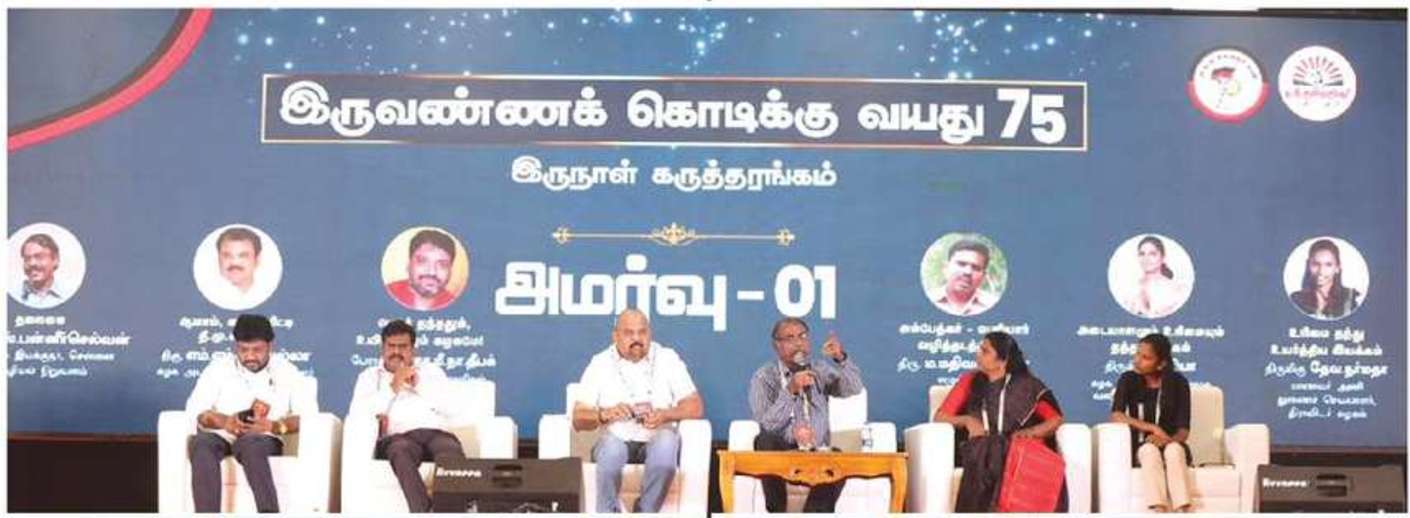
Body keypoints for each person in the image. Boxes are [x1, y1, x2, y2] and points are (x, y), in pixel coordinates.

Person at [572, 309, 703, 513]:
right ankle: (608, 512)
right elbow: (578, 418)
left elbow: (695, 406)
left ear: (650, 333)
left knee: (667, 442)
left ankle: (645, 511)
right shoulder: (600, 363)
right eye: (629, 333)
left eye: (642, 332)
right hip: (615, 438)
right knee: (612, 450)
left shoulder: (667, 358)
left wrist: (664, 415)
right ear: (615, 336)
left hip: (655, 438)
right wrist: (604, 414)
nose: (636, 339)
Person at [185, 314, 316, 513]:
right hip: (222, 434)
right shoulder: (217, 369)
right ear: (235, 347)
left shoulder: (288, 372)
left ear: (270, 346)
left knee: (251, 445)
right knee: (201, 444)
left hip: (263, 437)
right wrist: (225, 421)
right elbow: (197, 411)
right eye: (243, 350)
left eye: (257, 350)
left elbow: (308, 416)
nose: (250, 356)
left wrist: (275, 426)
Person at [932, 331, 1066, 512]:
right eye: (980, 349)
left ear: (1002, 361)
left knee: (1007, 450)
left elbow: (1056, 419)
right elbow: (940, 417)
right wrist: (967, 420)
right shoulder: (969, 381)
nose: (978, 354)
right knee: (991, 449)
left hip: (1018, 447)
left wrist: (1031, 432)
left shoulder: (1028, 385)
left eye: (985, 351)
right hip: (981, 447)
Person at [747, 317, 864, 513]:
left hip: (817, 451)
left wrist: (840, 358)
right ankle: (778, 512)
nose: (798, 343)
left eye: (802, 336)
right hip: (783, 450)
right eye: (790, 338)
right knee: (764, 440)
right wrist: (790, 391)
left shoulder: (819, 369)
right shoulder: (764, 377)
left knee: (837, 458)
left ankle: (815, 513)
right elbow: (767, 425)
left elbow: (853, 388)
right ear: (777, 345)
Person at [348, 319, 465, 512]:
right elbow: (357, 413)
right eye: (391, 346)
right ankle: (422, 511)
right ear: (382, 348)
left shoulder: (432, 372)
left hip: (436, 434)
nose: (396, 352)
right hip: (399, 438)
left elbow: (452, 408)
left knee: (450, 452)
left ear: (413, 350)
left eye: (402, 347)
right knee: (401, 451)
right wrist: (393, 386)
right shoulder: (369, 377)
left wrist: (419, 384)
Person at [1109, 333, 1193, 513]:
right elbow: (1116, 415)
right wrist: (1152, 428)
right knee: (1149, 451)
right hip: (1141, 445)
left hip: (1171, 442)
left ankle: (1182, 510)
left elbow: (1183, 430)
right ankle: (1159, 509)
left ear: (1161, 364)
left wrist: (1167, 440)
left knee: (1174, 451)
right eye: (1137, 354)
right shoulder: (1128, 379)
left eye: (1145, 358)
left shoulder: (1178, 383)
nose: (1137, 361)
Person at [202, 226, 278, 311]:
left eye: (243, 256)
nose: (235, 262)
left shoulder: (266, 292)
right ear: (218, 259)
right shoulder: (209, 293)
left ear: (257, 260)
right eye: (227, 256)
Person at [385, 229, 460, 311]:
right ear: (409, 265)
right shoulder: (386, 294)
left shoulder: (457, 304)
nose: (432, 272)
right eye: (422, 261)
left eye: (442, 265)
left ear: (450, 270)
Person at [1119, 236, 1190, 318]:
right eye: (1142, 254)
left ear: (1163, 257)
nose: (1146, 259)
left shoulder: (1177, 290)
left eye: (1152, 254)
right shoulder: (1130, 289)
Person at [1289, 238, 1361, 320]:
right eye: (1315, 264)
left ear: (1337, 268)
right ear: (1308, 265)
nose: (1321, 271)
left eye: (1328, 265)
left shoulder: (1348, 300)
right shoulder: (1296, 300)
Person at [936, 239, 997, 316]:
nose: (968, 272)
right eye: (961, 264)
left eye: (975, 268)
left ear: (983, 276)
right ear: (945, 268)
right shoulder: (930, 299)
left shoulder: (993, 304)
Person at [10, 233, 71, 309]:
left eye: (39, 257)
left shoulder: (68, 294)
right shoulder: (10, 296)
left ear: (55, 260)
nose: (32, 263)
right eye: (27, 258)